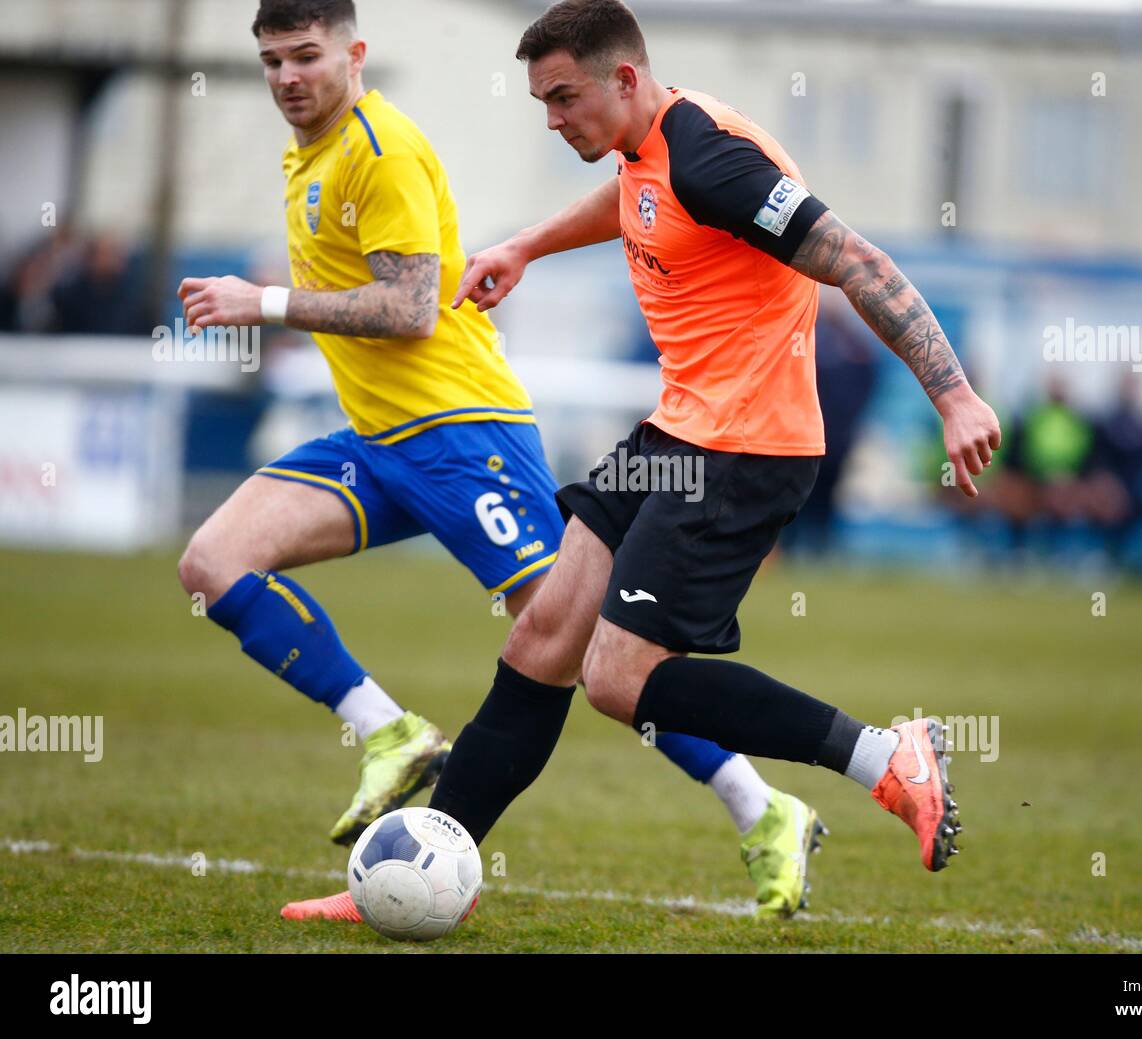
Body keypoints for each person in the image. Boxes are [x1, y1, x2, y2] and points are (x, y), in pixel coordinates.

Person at [290, 0, 1000, 928]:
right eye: (542, 101)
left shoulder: (715, 159)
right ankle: (420, 862)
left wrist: (953, 395)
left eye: (563, 97)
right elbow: (636, 197)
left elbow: (857, 260)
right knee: (542, 638)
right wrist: (526, 245)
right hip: (675, 436)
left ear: (623, 78)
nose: (552, 118)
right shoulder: (650, 143)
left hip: (742, 450)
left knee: (618, 681)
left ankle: (881, 757)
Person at [177, 0, 825, 919]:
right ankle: (389, 731)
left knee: (573, 647)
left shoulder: (379, 147)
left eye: (306, 56)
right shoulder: (308, 154)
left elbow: (410, 308)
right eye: (272, 61)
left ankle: (764, 807)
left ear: (353, 53)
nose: (288, 77)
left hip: (459, 434)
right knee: (213, 562)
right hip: (375, 439)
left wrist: (266, 302)